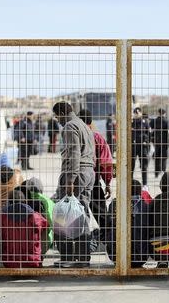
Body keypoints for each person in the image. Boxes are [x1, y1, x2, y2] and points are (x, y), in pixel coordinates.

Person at [52, 101, 97, 268]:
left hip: (76, 175)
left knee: (65, 215)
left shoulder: (70, 127)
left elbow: (74, 154)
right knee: (81, 215)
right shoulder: (84, 125)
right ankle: (83, 257)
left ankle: (67, 257)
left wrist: (70, 180)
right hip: (88, 173)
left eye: (57, 115)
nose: (56, 119)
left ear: (63, 112)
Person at [78, 109, 114, 246]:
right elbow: (106, 162)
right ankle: (108, 240)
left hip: (75, 181)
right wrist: (108, 183)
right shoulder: (97, 137)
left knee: (78, 212)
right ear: (90, 121)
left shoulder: (75, 136)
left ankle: (81, 241)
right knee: (101, 213)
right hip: (93, 180)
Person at [150, 108, 169, 178]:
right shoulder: (167, 121)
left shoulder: (154, 121)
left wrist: (151, 138)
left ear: (158, 113)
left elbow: (148, 129)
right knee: (164, 158)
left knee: (157, 157)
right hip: (164, 142)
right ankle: (163, 172)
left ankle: (156, 173)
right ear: (164, 113)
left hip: (156, 142)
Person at [131, 107, 151, 186]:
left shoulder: (145, 122)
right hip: (133, 146)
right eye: (135, 112)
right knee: (131, 165)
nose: (136, 113)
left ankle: (145, 184)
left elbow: (149, 133)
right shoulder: (131, 122)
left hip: (143, 147)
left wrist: (147, 142)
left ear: (141, 113)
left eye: (138, 112)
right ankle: (130, 182)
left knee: (144, 166)